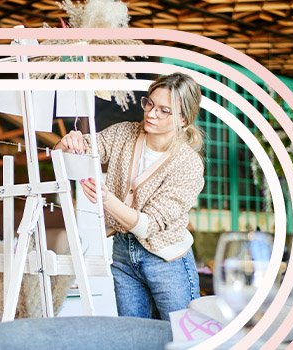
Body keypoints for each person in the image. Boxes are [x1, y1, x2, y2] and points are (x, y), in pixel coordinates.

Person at [55, 72, 205, 320]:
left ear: (184, 119)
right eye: (150, 104)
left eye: (164, 110)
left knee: (181, 338)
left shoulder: (188, 165)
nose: (151, 113)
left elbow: (148, 227)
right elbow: (77, 153)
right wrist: (68, 143)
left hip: (167, 260)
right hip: (124, 254)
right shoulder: (124, 133)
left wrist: (107, 199)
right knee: (134, 338)